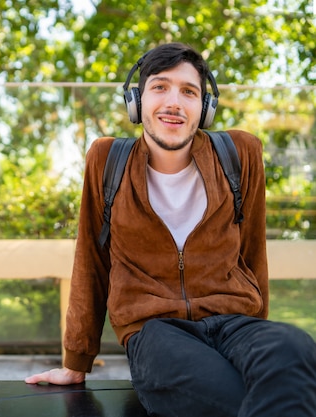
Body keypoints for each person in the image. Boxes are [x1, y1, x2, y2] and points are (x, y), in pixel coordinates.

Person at [25, 42, 316, 417]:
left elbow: (253, 252)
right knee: (220, 387)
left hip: (234, 322)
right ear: (137, 101)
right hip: (154, 330)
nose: (174, 102)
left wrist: (254, 344)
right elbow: (91, 262)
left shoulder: (240, 153)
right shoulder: (106, 160)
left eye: (189, 91)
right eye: (160, 87)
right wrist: (76, 361)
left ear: (205, 107)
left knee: (294, 348)